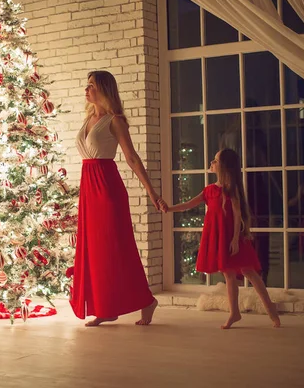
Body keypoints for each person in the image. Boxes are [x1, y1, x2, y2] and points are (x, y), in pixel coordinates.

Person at [70, 70, 167, 327]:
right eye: (86, 84)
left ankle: (147, 301)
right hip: (88, 188)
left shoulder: (115, 121)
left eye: (91, 85)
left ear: (103, 89)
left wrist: (151, 192)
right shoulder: (89, 118)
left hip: (106, 189)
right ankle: (105, 308)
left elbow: (132, 158)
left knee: (117, 249)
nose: (86, 90)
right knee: (96, 252)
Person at [165, 149, 281, 329]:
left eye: (215, 160)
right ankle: (234, 312)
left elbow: (236, 215)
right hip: (218, 236)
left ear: (224, 167)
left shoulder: (230, 190)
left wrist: (235, 239)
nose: (211, 162)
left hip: (232, 237)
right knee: (228, 273)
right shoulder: (209, 191)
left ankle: (270, 309)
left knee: (250, 272)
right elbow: (188, 204)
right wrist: (169, 209)